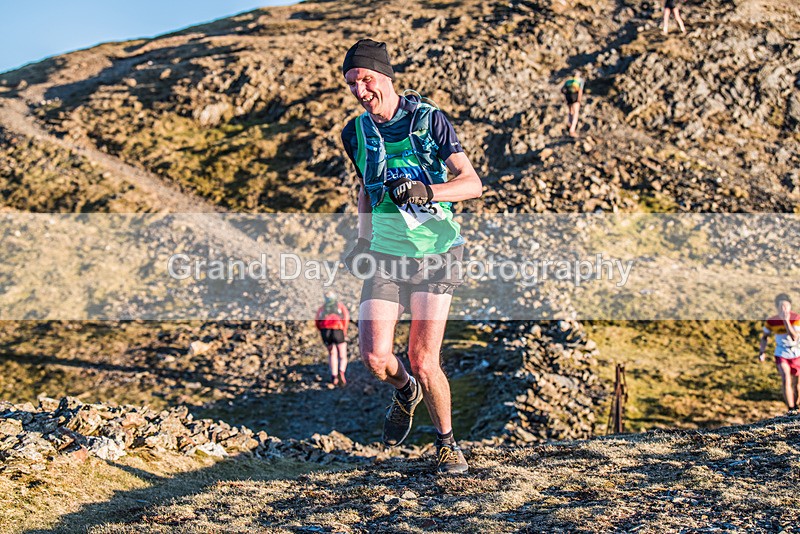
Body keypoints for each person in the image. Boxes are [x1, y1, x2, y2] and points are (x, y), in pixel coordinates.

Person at [339, 39, 482, 474]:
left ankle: (446, 443)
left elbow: (472, 183)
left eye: (367, 79)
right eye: (351, 84)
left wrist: (428, 191)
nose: (361, 90)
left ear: (386, 77)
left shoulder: (429, 120)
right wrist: (363, 239)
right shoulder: (354, 133)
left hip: (436, 252)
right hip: (385, 253)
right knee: (375, 358)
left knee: (423, 359)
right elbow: (366, 188)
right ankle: (405, 392)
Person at [759, 293, 800, 415]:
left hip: (796, 352)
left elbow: (794, 337)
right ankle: (791, 408)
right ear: (777, 307)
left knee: (797, 384)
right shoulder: (772, 321)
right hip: (781, 352)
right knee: (785, 378)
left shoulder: (796, 318)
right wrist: (762, 352)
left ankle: (797, 406)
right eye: (781, 306)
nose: (784, 309)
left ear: (790, 306)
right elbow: (764, 337)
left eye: (786, 306)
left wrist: (786, 321)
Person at [315, 291, 350, 387]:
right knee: (342, 355)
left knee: (332, 354)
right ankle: (341, 372)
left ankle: (333, 376)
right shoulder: (340, 306)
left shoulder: (322, 308)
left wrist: (321, 330)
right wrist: (344, 330)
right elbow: (346, 317)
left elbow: (317, 321)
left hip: (325, 331)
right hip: (337, 330)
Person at [560, 72, 584, 137]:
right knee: (575, 113)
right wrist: (579, 99)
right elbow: (580, 91)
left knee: (570, 112)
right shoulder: (580, 81)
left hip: (568, 97)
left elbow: (562, 89)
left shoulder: (568, 81)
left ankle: (569, 124)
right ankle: (572, 129)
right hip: (575, 97)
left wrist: (566, 95)